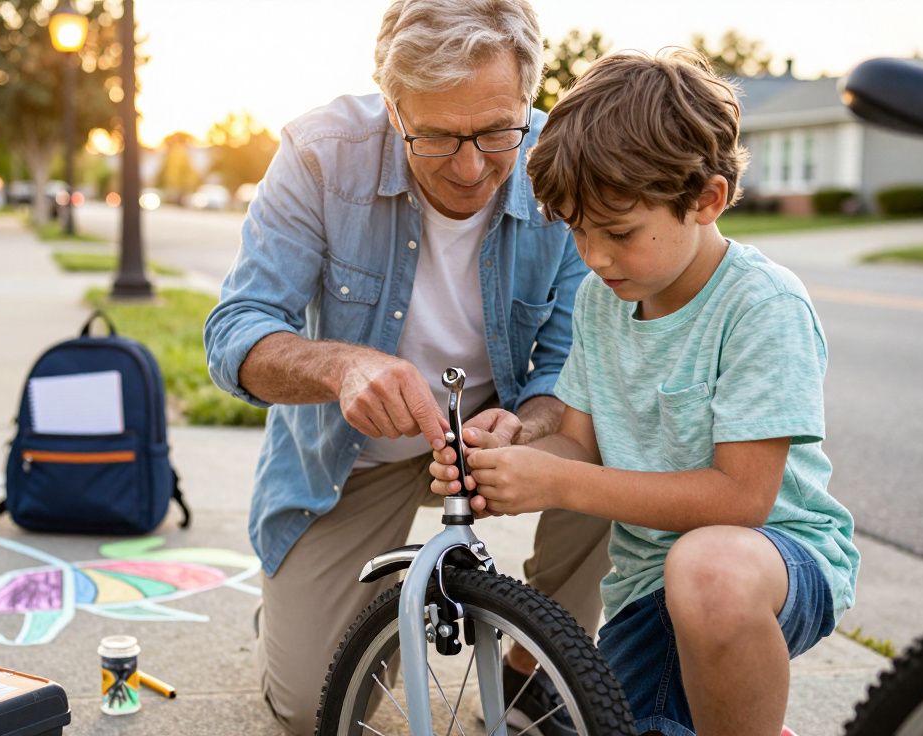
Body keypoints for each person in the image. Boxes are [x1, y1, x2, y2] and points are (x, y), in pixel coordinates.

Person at [203, 1, 613, 732]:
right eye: (436, 137)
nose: (469, 166)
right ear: (394, 110)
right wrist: (340, 368)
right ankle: (322, 613)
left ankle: (531, 676)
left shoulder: (563, 159)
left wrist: (531, 420)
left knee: (614, 435)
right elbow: (235, 334)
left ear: (527, 96)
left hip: (501, 433)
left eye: (495, 132)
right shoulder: (319, 152)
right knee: (316, 708)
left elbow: (570, 363)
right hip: (350, 457)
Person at [429, 49, 860, 735]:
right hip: (644, 590)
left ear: (707, 199)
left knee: (708, 571)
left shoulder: (760, 305)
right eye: (576, 229)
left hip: (770, 561)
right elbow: (578, 440)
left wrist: (559, 486)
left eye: (620, 232)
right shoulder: (605, 302)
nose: (594, 257)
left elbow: (740, 500)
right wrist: (516, 450)